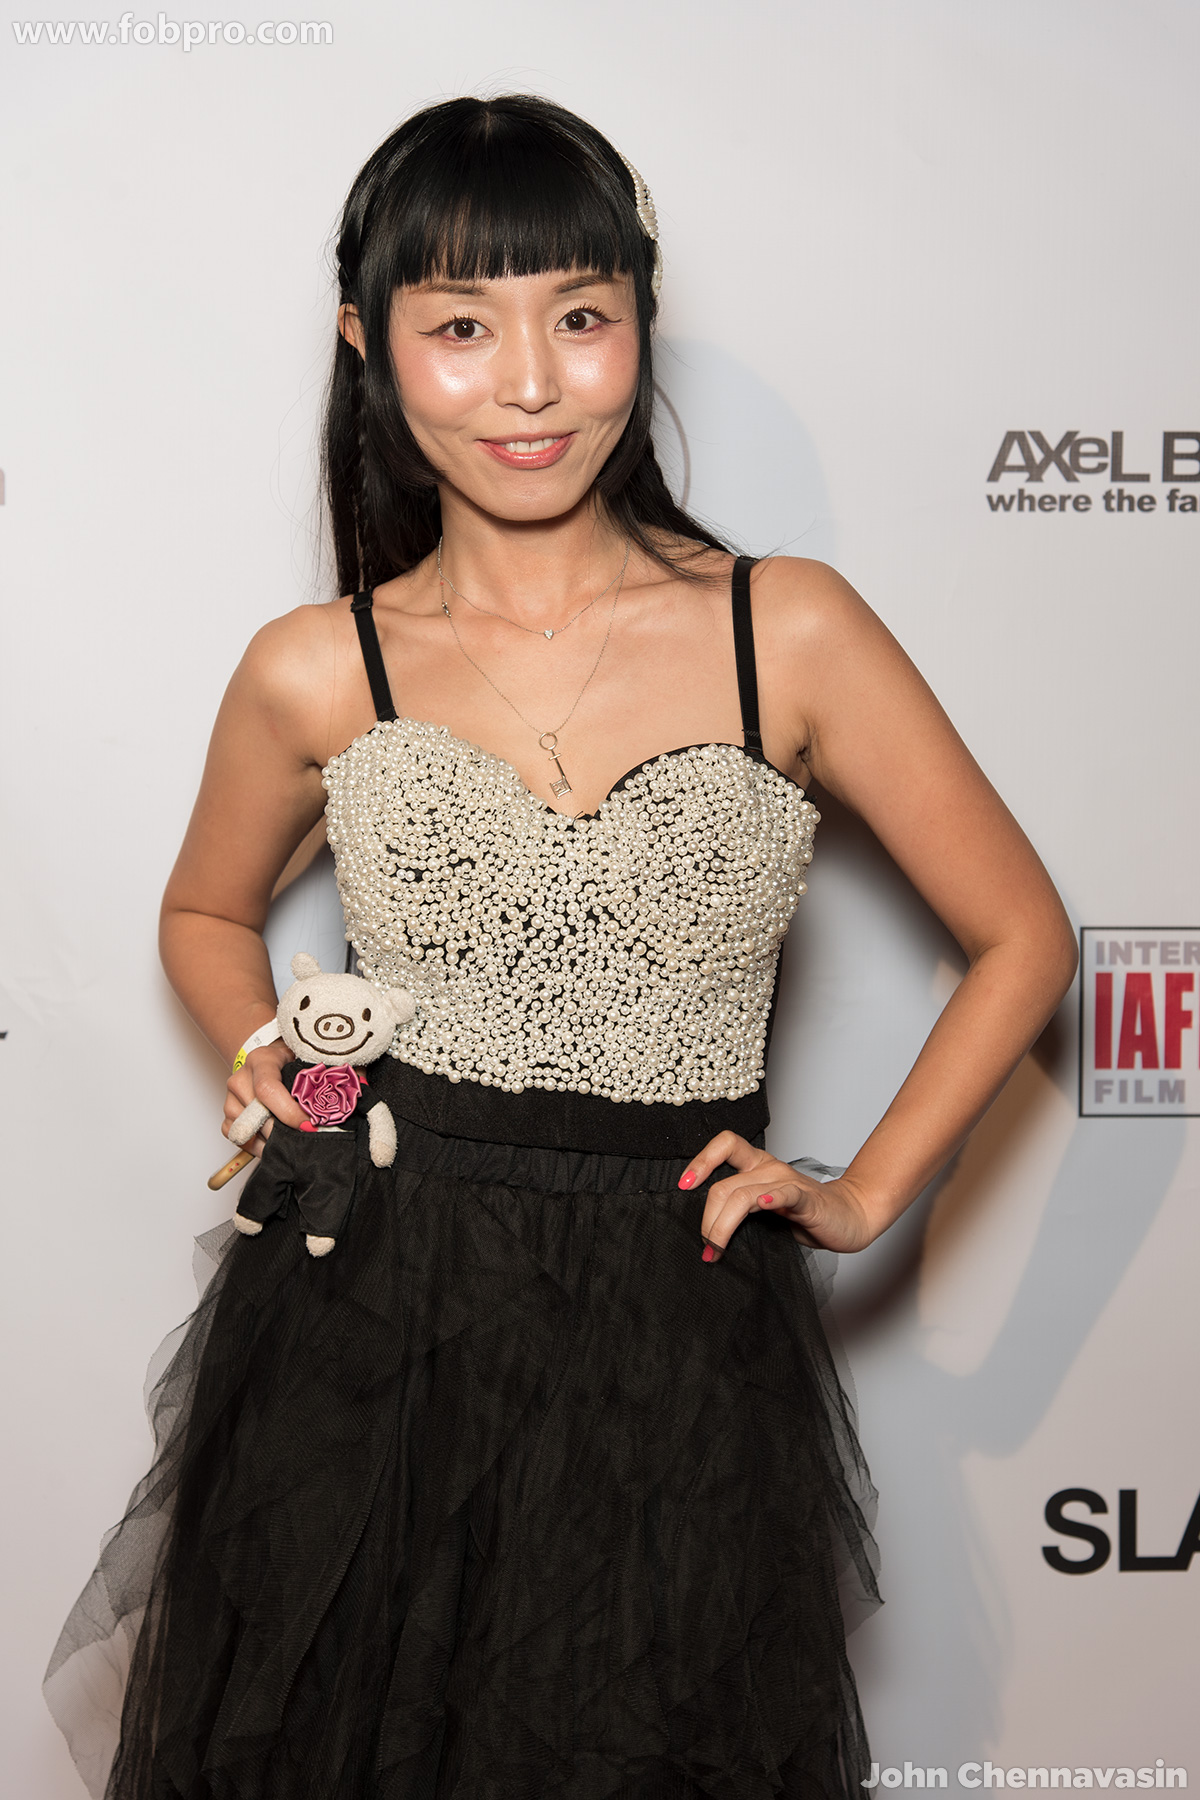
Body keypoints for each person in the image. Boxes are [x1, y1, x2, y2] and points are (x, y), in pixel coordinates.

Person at [45, 94, 1078, 1800]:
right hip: (369, 1314)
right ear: (368, 344)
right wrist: (264, 1055)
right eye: (461, 327)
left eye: (579, 316)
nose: (529, 383)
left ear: (639, 325)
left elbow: (1023, 934)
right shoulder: (318, 665)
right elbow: (204, 910)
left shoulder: (786, 628)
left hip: (677, 1324)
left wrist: (866, 1193)